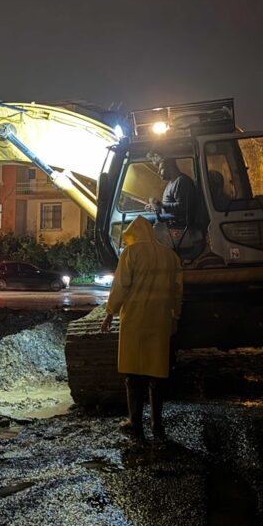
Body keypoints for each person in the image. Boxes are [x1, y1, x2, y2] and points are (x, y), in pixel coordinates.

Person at [100, 216, 183, 442]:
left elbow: (120, 286)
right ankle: (157, 424)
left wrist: (109, 313)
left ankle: (134, 422)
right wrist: (175, 316)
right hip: (160, 321)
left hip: (135, 322)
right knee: (156, 375)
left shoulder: (131, 254)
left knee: (133, 374)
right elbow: (177, 291)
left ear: (134, 235)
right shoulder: (170, 256)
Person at [153, 156, 200, 231]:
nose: (158, 172)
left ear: (170, 167)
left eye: (161, 169)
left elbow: (183, 207)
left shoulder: (182, 181)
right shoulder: (171, 182)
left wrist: (162, 205)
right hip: (169, 219)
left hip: (177, 226)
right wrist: (155, 207)